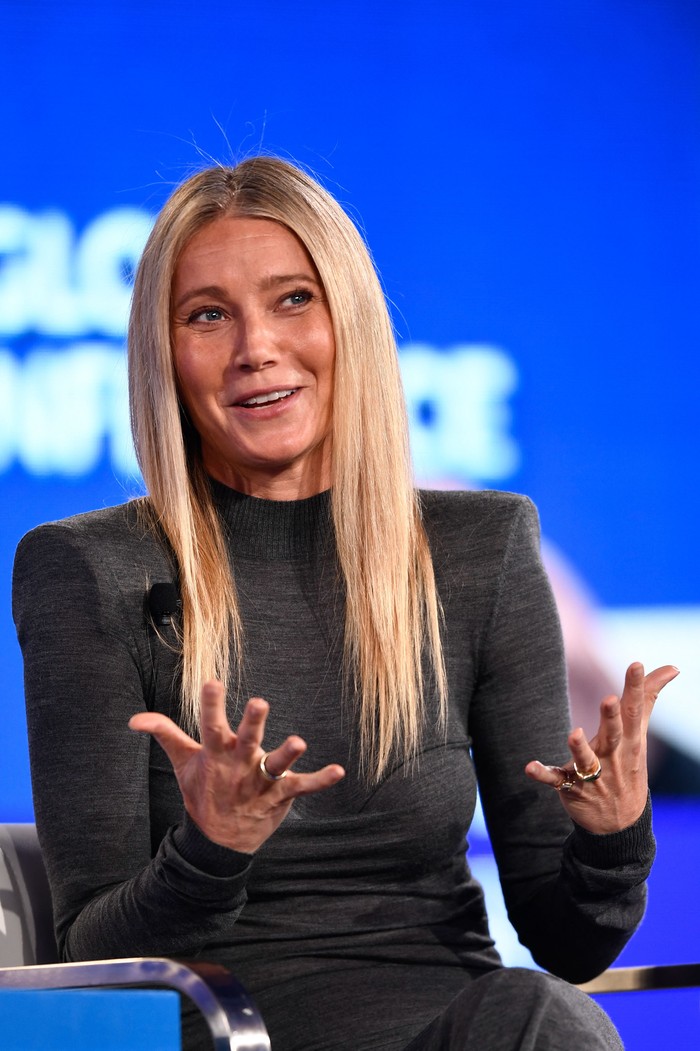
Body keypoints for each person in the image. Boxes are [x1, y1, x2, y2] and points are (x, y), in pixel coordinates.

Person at [13, 157, 678, 1051]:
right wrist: (213, 847)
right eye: (208, 314)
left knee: (546, 1015)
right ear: (163, 352)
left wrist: (610, 836)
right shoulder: (89, 569)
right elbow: (89, 957)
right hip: (233, 1032)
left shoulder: (480, 549)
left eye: (294, 299)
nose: (257, 346)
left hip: (469, 1027)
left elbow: (569, 942)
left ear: (349, 322)